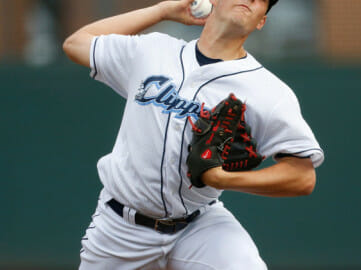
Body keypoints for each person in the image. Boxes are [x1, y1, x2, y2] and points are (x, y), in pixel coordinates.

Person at [63, 0, 324, 269]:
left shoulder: (268, 91)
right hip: (121, 229)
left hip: (199, 226)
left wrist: (225, 178)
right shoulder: (153, 51)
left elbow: (302, 176)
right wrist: (162, 11)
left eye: (263, 1)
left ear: (261, 22)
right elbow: (76, 43)